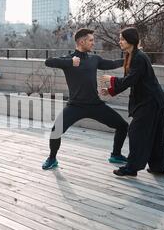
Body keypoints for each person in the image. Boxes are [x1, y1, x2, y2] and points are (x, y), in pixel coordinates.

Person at [42, 28, 129, 170]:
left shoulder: (94, 59)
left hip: (95, 105)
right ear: (81, 42)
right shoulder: (70, 59)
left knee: (123, 126)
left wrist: (130, 58)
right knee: (55, 130)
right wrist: (70, 63)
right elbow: (48, 62)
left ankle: (116, 154)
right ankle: (52, 158)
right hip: (75, 106)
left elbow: (112, 64)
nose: (93, 43)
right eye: (91, 40)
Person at [101, 27, 164, 177]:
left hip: (150, 102)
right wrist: (111, 91)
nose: (119, 41)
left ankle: (131, 168)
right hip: (152, 101)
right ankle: (159, 166)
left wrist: (111, 80)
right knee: (157, 135)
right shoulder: (131, 56)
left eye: (122, 39)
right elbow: (130, 81)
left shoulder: (139, 57)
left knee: (136, 132)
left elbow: (130, 79)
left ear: (131, 40)